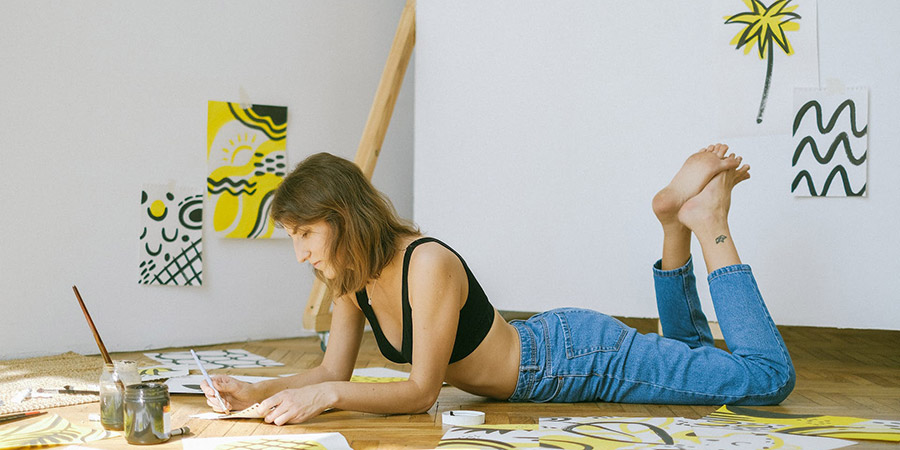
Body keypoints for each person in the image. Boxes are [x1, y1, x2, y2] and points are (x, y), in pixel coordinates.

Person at [201, 144, 795, 425]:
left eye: (306, 233)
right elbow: (332, 372)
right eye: (294, 238)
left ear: (344, 217)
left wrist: (326, 399)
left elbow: (419, 392)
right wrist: (258, 389)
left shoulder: (426, 264)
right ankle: (672, 224)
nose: (301, 252)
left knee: (765, 380)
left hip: (578, 360)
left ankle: (709, 223)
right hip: (553, 353)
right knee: (694, 359)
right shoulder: (352, 280)